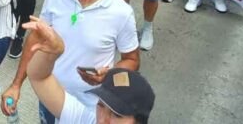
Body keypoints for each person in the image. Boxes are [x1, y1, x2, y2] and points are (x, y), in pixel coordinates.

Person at [1, 0, 140, 123]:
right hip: (49, 97)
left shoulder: (121, 12)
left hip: (90, 109)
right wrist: (16, 84)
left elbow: (131, 60)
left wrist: (111, 75)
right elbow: (36, 39)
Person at [25, 18, 155, 124]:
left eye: (117, 115)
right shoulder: (86, 120)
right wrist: (52, 53)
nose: (103, 120)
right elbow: (39, 78)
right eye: (100, 105)